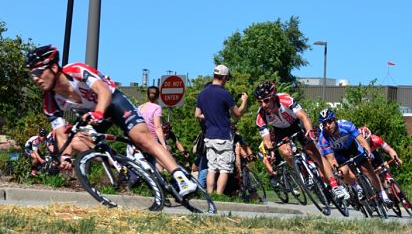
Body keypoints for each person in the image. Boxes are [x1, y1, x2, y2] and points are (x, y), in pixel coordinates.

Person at [26, 45, 196, 197]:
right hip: (92, 114)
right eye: (31, 74)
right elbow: (61, 133)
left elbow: (103, 90)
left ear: (54, 67)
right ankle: (119, 163)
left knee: (142, 138)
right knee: (77, 141)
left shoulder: (76, 70)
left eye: (38, 72)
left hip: (112, 101)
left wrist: (99, 112)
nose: (35, 79)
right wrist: (65, 157)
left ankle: (179, 175)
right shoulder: (49, 101)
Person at [254, 81, 347, 200]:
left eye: (266, 100)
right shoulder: (261, 116)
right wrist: (270, 151)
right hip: (280, 131)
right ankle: (304, 173)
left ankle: (335, 185)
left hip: (297, 124)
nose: (263, 104)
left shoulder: (285, 100)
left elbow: (304, 117)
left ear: (273, 97)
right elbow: (266, 140)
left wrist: (309, 132)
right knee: (286, 153)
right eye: (259, 102)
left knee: (315, 154)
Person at [317, 109, 392, 206]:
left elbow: (362, 140)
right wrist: (336, 168)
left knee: (367, 169)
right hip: (339, 153)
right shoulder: (323, 137)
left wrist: (368, 153)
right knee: (343, 171)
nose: (327, 125)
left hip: (353, 147)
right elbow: (331, 159)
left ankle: (383, 195)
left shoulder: (346, 125)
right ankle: (357, 187)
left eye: (329, 121)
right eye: (324, 123)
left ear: (334, 120)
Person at [195, 64, 248, 194]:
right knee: (224, 169)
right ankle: (218, 195)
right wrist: (245, 101)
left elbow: (197, 114)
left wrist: (210, 116)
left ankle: (210, 194)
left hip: (209, 136)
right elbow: (238, 114)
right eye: (227, 79)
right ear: (224, 77)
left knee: (212, 168)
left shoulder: (203, 93)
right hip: (223, 136)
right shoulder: (224, 94)